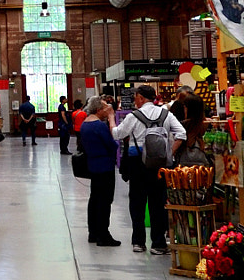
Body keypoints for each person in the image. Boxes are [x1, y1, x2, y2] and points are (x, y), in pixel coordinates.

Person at [111, 84, 187, 253]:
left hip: (137, 162)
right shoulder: (167, 114)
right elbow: (181, 134)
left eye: (136, 97)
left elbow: (118, 134)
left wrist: (110, 119)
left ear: (140, 98)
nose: (134, 101)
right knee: (158, 202)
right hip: (159, 164)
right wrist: (169, 153)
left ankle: (138, 242)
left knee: (137, 202)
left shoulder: (133, 116)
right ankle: (158, 244)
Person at [79, 100, 122, 246]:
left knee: (95, 198)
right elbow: (112, 144)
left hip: (92, 165)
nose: (108, 110)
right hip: (105, 166)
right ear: (98, 109)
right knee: (105, 200)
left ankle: (93, 232)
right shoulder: (99, 126)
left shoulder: (85, 124)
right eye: (105, 108)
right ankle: (103, 234)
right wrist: (111, 119)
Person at [173, 82, 207, 152]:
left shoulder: (182, 125)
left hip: (185, 159)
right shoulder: (207, 124)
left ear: (188, 109)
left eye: (185, 107)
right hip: (203, 159)